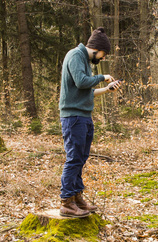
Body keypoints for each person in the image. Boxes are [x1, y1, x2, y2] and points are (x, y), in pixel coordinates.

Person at [58, 27, 121, 218]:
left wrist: (106, 89)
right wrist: (102, 77)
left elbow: (87, 90)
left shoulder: (84, 61)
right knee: (74, 158)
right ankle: (66, 201)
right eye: (103, 54)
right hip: (73, 117)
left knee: (81, 158)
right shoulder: (75, 55)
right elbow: (81, 82)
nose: (102, 58)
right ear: (97, 48)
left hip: (83, 116)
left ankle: (77, 198)